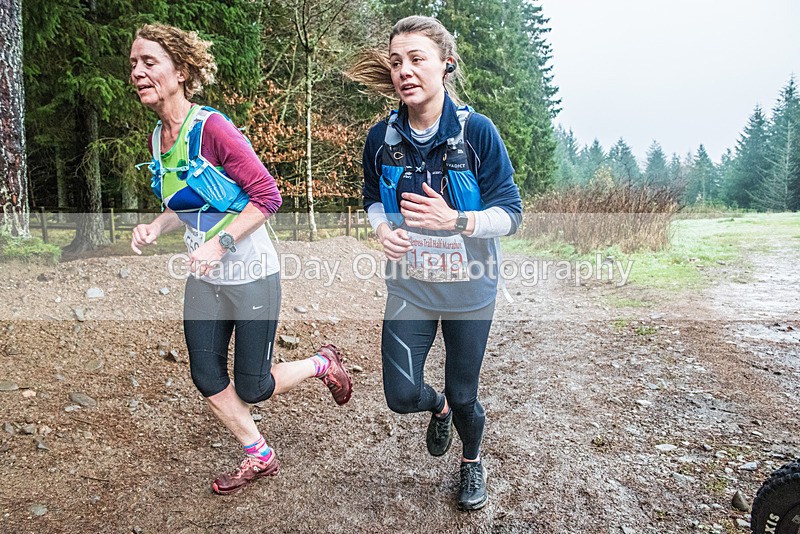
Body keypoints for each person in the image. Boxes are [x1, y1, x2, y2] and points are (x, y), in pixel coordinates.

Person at [128, 23, 352, 495]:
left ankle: (321, 363)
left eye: (149, 62)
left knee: (254, 386)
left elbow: (267, 196)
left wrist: (219, 244)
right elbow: (185, 201)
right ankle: (259, 455)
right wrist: (157, 226)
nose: (138, 72)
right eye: (133, 63)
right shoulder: (157, 140)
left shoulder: (212, 128)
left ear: (181, 71)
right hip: (205, 277)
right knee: (206, 374)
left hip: (251, 271)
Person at [347, 16, 522, 510]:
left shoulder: (476, 132)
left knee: (466, 395)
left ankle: (471, 461)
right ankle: (436, 407)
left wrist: (457, 221)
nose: (404, 70)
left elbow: (511, 215)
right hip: (410, 287)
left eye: (416, 59)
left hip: (470, 291)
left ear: (446, 64)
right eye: (397, 61)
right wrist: (381, 228)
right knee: (401, 396)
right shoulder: (381, 137)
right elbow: (371, 198)